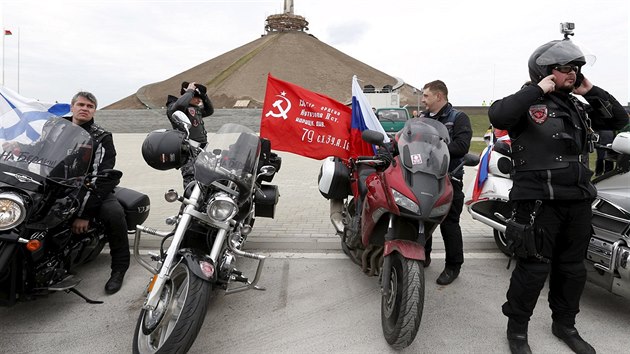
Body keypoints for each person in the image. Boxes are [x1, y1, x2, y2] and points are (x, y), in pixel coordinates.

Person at [488, 36, 628, 354]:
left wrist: (589, 91)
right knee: (533, 269)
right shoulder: (528, 103)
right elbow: (498, 116)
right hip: (538, 202)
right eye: (567, 68)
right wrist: (537, 89)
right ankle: (518, 331)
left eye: (577, 68)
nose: (574, 74)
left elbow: (619, 119)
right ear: (546, 71)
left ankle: (564, 324)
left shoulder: (579, 107)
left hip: (577, 202)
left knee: (573, 269)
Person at [69, 92, 130, 295]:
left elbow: (101, 176)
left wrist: (84, 214)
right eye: (81, 104)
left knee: (114, 214)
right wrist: (18, 147)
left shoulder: (101, 136)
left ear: (94, 110)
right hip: (58, 184)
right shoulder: (55, 128)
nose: (85, 108)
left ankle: (119, 269)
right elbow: (41, 149)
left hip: (90, 187)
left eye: (90, 106)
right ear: (72, 107)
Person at [419, 80, 472, 285]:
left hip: (450, 178)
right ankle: (423, 255)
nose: (423, 99)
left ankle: (453, 266)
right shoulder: (423, 118)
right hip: (423, 178)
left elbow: (461, 146)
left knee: (449, 224)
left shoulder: (458, 118)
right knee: (422, 218)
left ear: (438, 97)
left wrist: (433, 147)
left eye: (426, 95)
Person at [166, 81, 214, 187]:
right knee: (191, 181)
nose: (199, 100)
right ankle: (190, 202)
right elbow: (178, 106)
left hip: (201, 150)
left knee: (205, 180)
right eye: (196, 97)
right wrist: (190, 91)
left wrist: (204, 95)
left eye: (199, 98)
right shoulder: (175, 108)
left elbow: (210, 110)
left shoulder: (196, 109)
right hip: (188, 151)